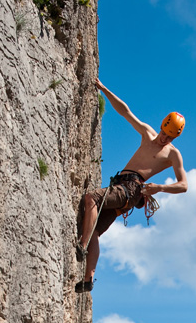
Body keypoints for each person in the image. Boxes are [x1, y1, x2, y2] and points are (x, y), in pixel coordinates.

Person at [75, 79, 188, 292]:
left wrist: (160, 188)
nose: (164, 139)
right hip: (121, 188)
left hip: (130, 189)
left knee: (92, 198)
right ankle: (89, 279)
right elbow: (125, 112)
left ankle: (81, 246)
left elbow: (184, 185)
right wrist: (104, 90)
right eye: (165, 133)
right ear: (162, 126)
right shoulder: (148, 134)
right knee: (96, 231)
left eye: (170, 137)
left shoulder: (173, 154)